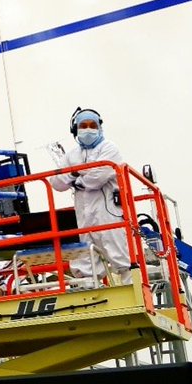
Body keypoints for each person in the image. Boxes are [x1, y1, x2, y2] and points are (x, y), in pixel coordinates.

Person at [49, 107, 131, 283]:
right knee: (85, 259)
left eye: (92, 125)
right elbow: (56, 182)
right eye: (83, 125)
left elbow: (98, 177)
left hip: (108, 213)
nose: (88, 129)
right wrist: (77, 173)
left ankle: (132, 287)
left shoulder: (109, 148)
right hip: (84, 215)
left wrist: (74, 177)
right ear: (75, 129)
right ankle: (89, 291)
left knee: (120, 256)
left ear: (100, 128)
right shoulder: (72, 155)